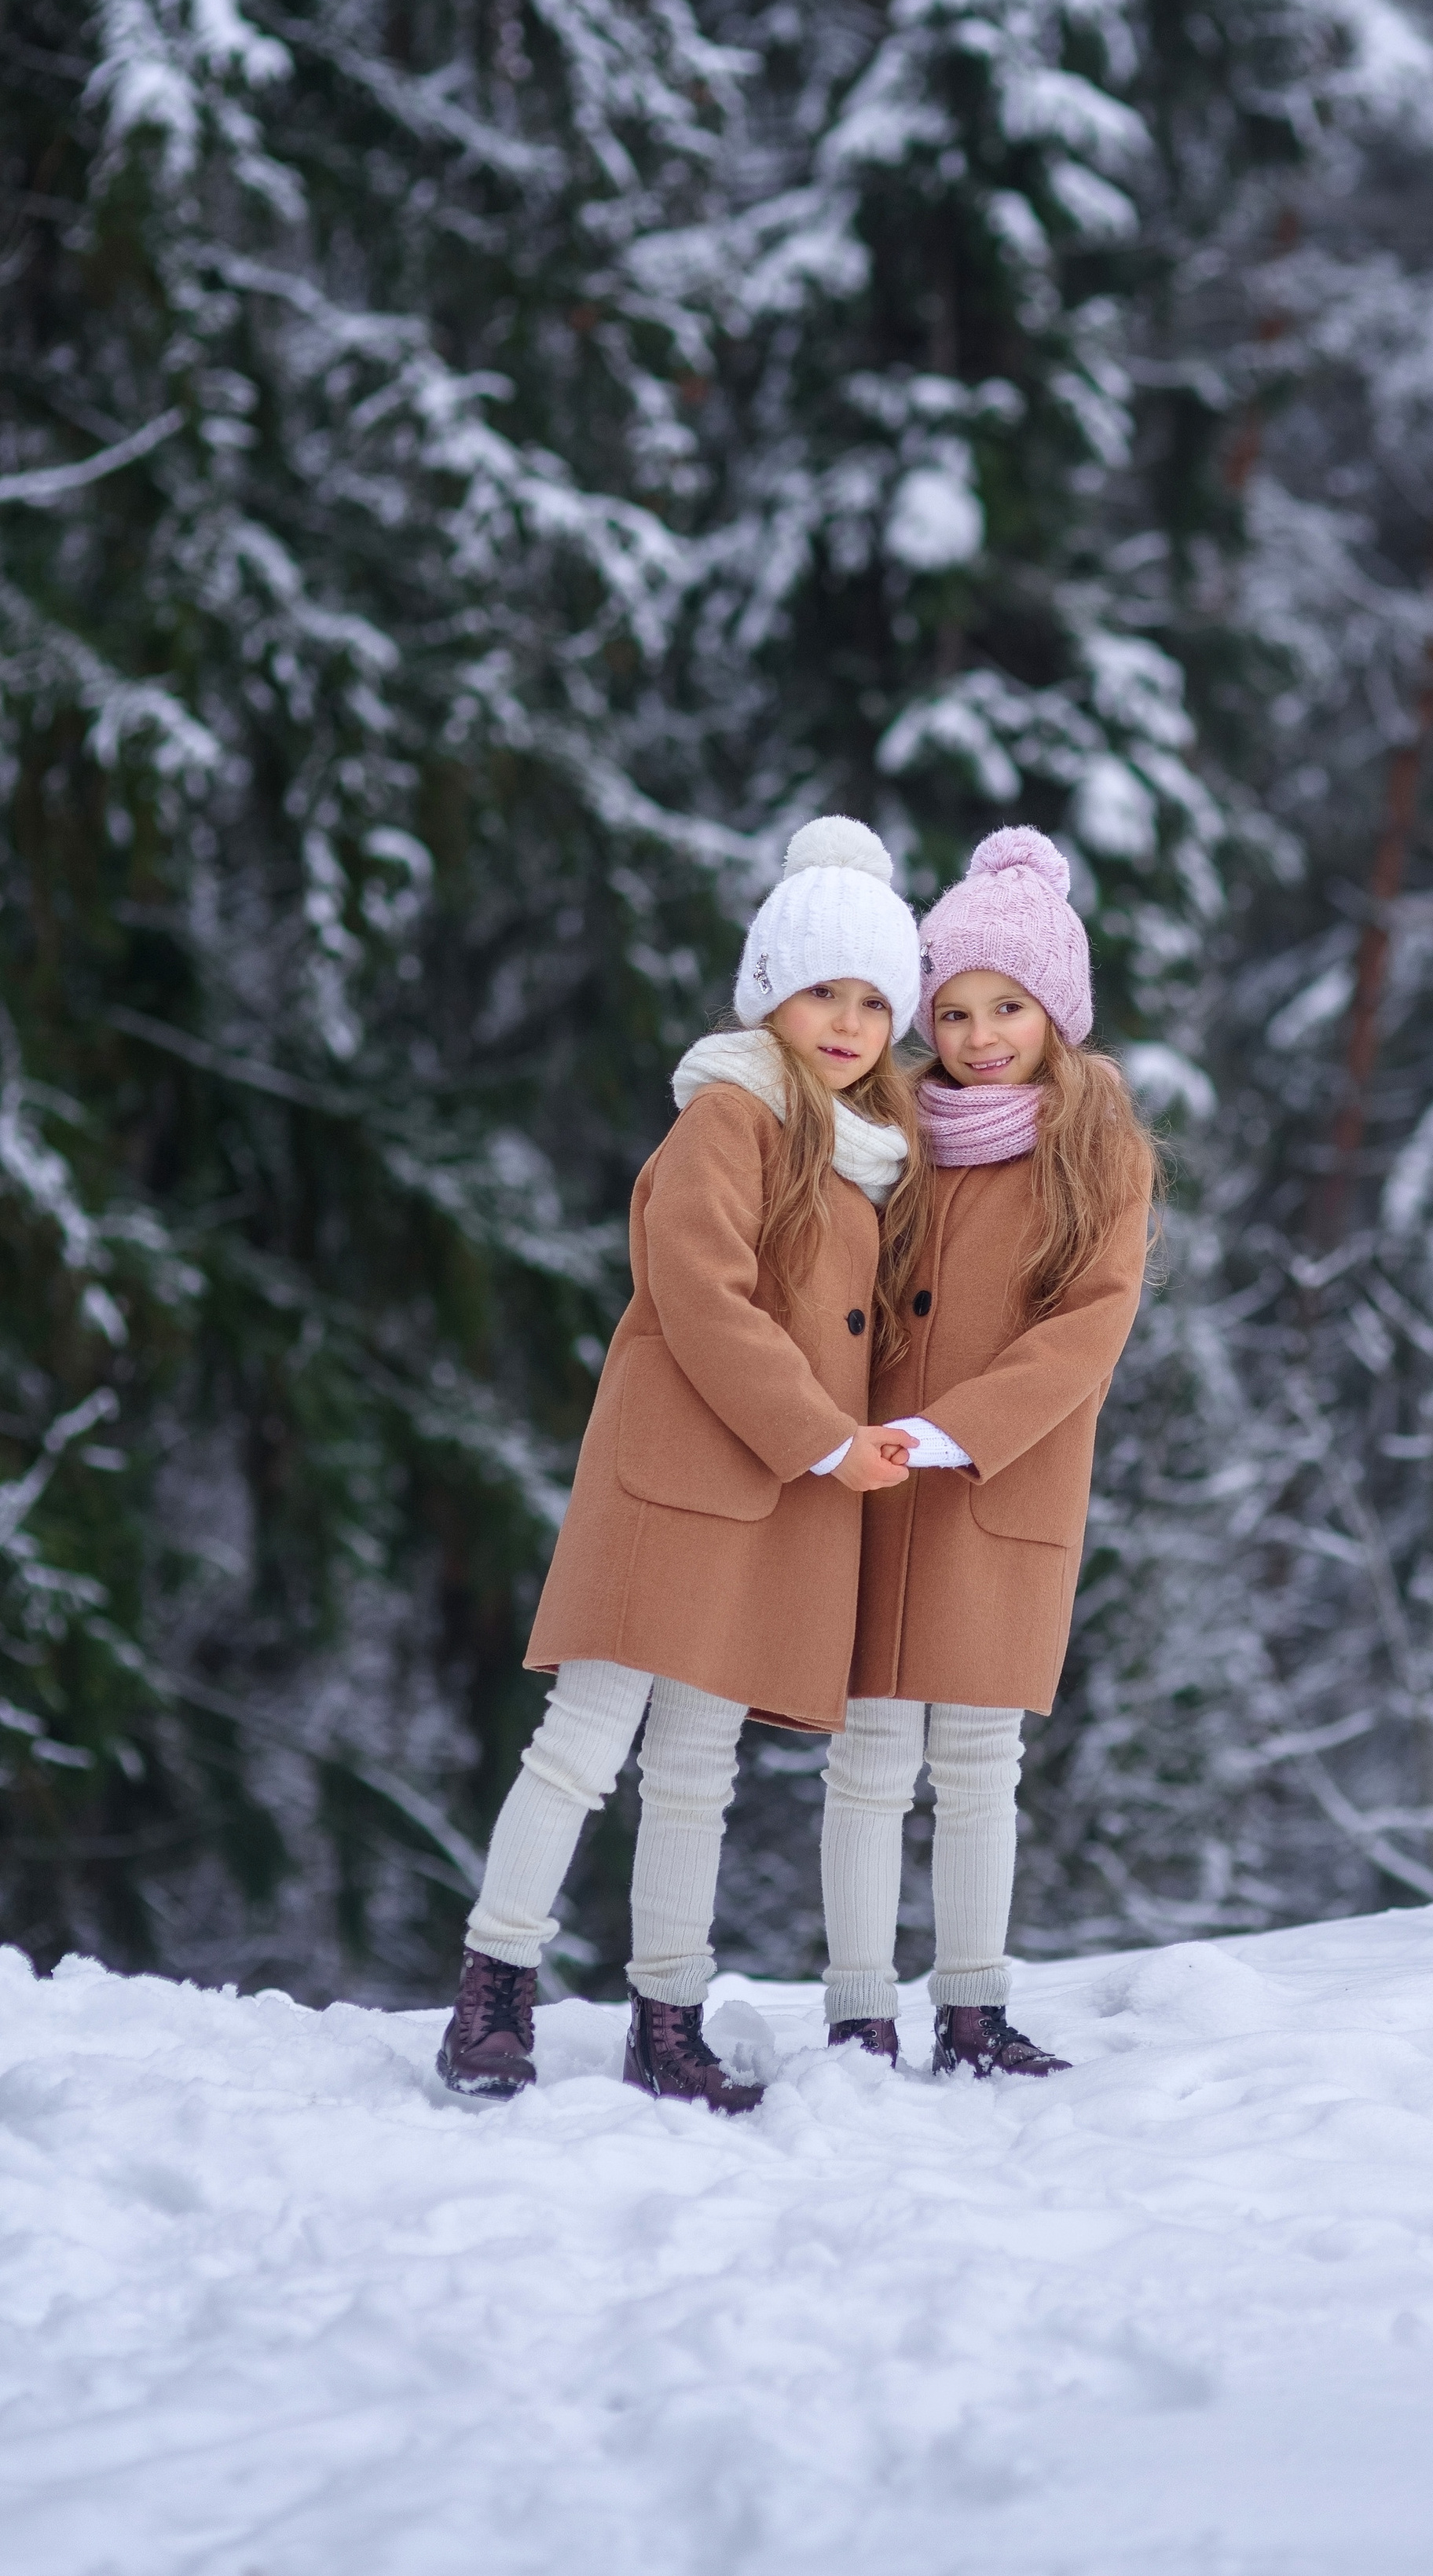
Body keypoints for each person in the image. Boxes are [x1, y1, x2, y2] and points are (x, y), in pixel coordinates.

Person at [438, 817, 925, 2112]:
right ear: (771, 987)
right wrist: (824, 1436)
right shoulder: (731, 1113)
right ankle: (492, 1990)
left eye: (876, 1001)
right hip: (682, 1475)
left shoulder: (869, 1156)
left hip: (773, 1502)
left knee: (696, 1770)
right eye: (826, 989)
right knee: (582, 1743)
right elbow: (703, 1297)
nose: (848, 1021)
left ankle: (669, 2012)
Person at [819, 826, 1160, 2076]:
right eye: (953, 1010)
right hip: (870, 1477)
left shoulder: (1096, 1147)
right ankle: (858, 2007)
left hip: (995, 1483)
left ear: (1053, 1010)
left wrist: (962, 1428)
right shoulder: (885, 1129)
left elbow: (1093, 1321)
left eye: (1005, 1006)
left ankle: (972, 2007)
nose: (977, 1035)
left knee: (974, 1760)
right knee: (866, 1760)